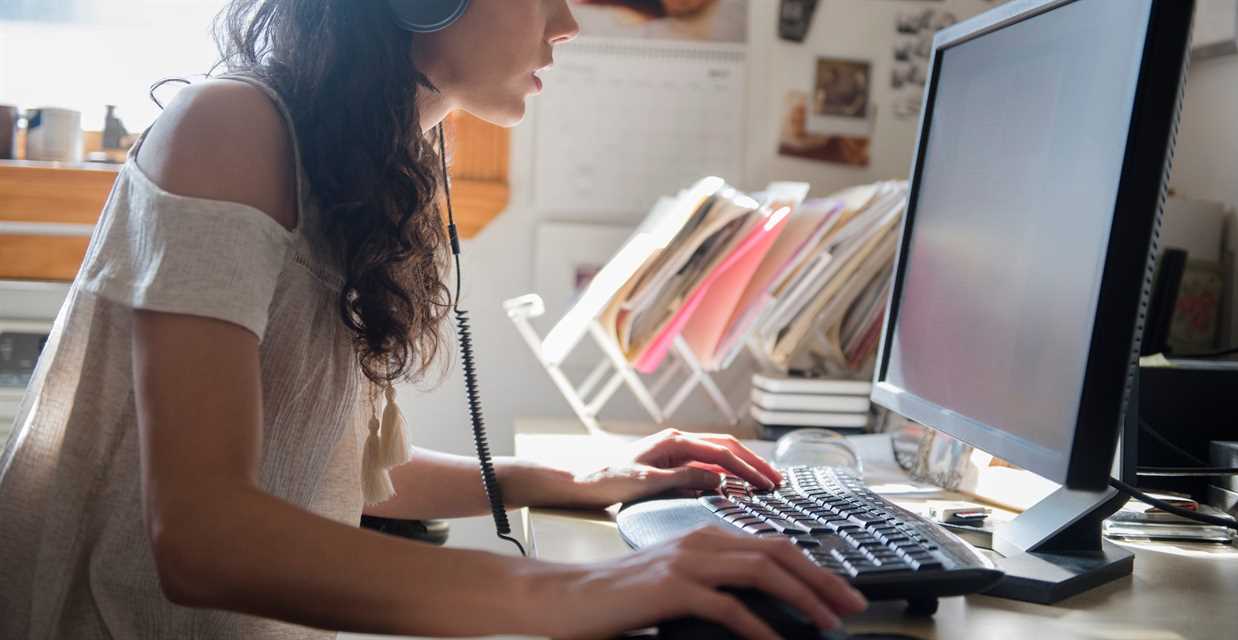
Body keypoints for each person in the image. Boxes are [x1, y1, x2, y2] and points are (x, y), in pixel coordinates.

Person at [0, 1, 867, 639]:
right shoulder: (228, 131)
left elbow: (332, 461)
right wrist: (596, 588)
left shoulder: (368, 166)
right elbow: (203, 536)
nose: (565, 24)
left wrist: (572, 480)